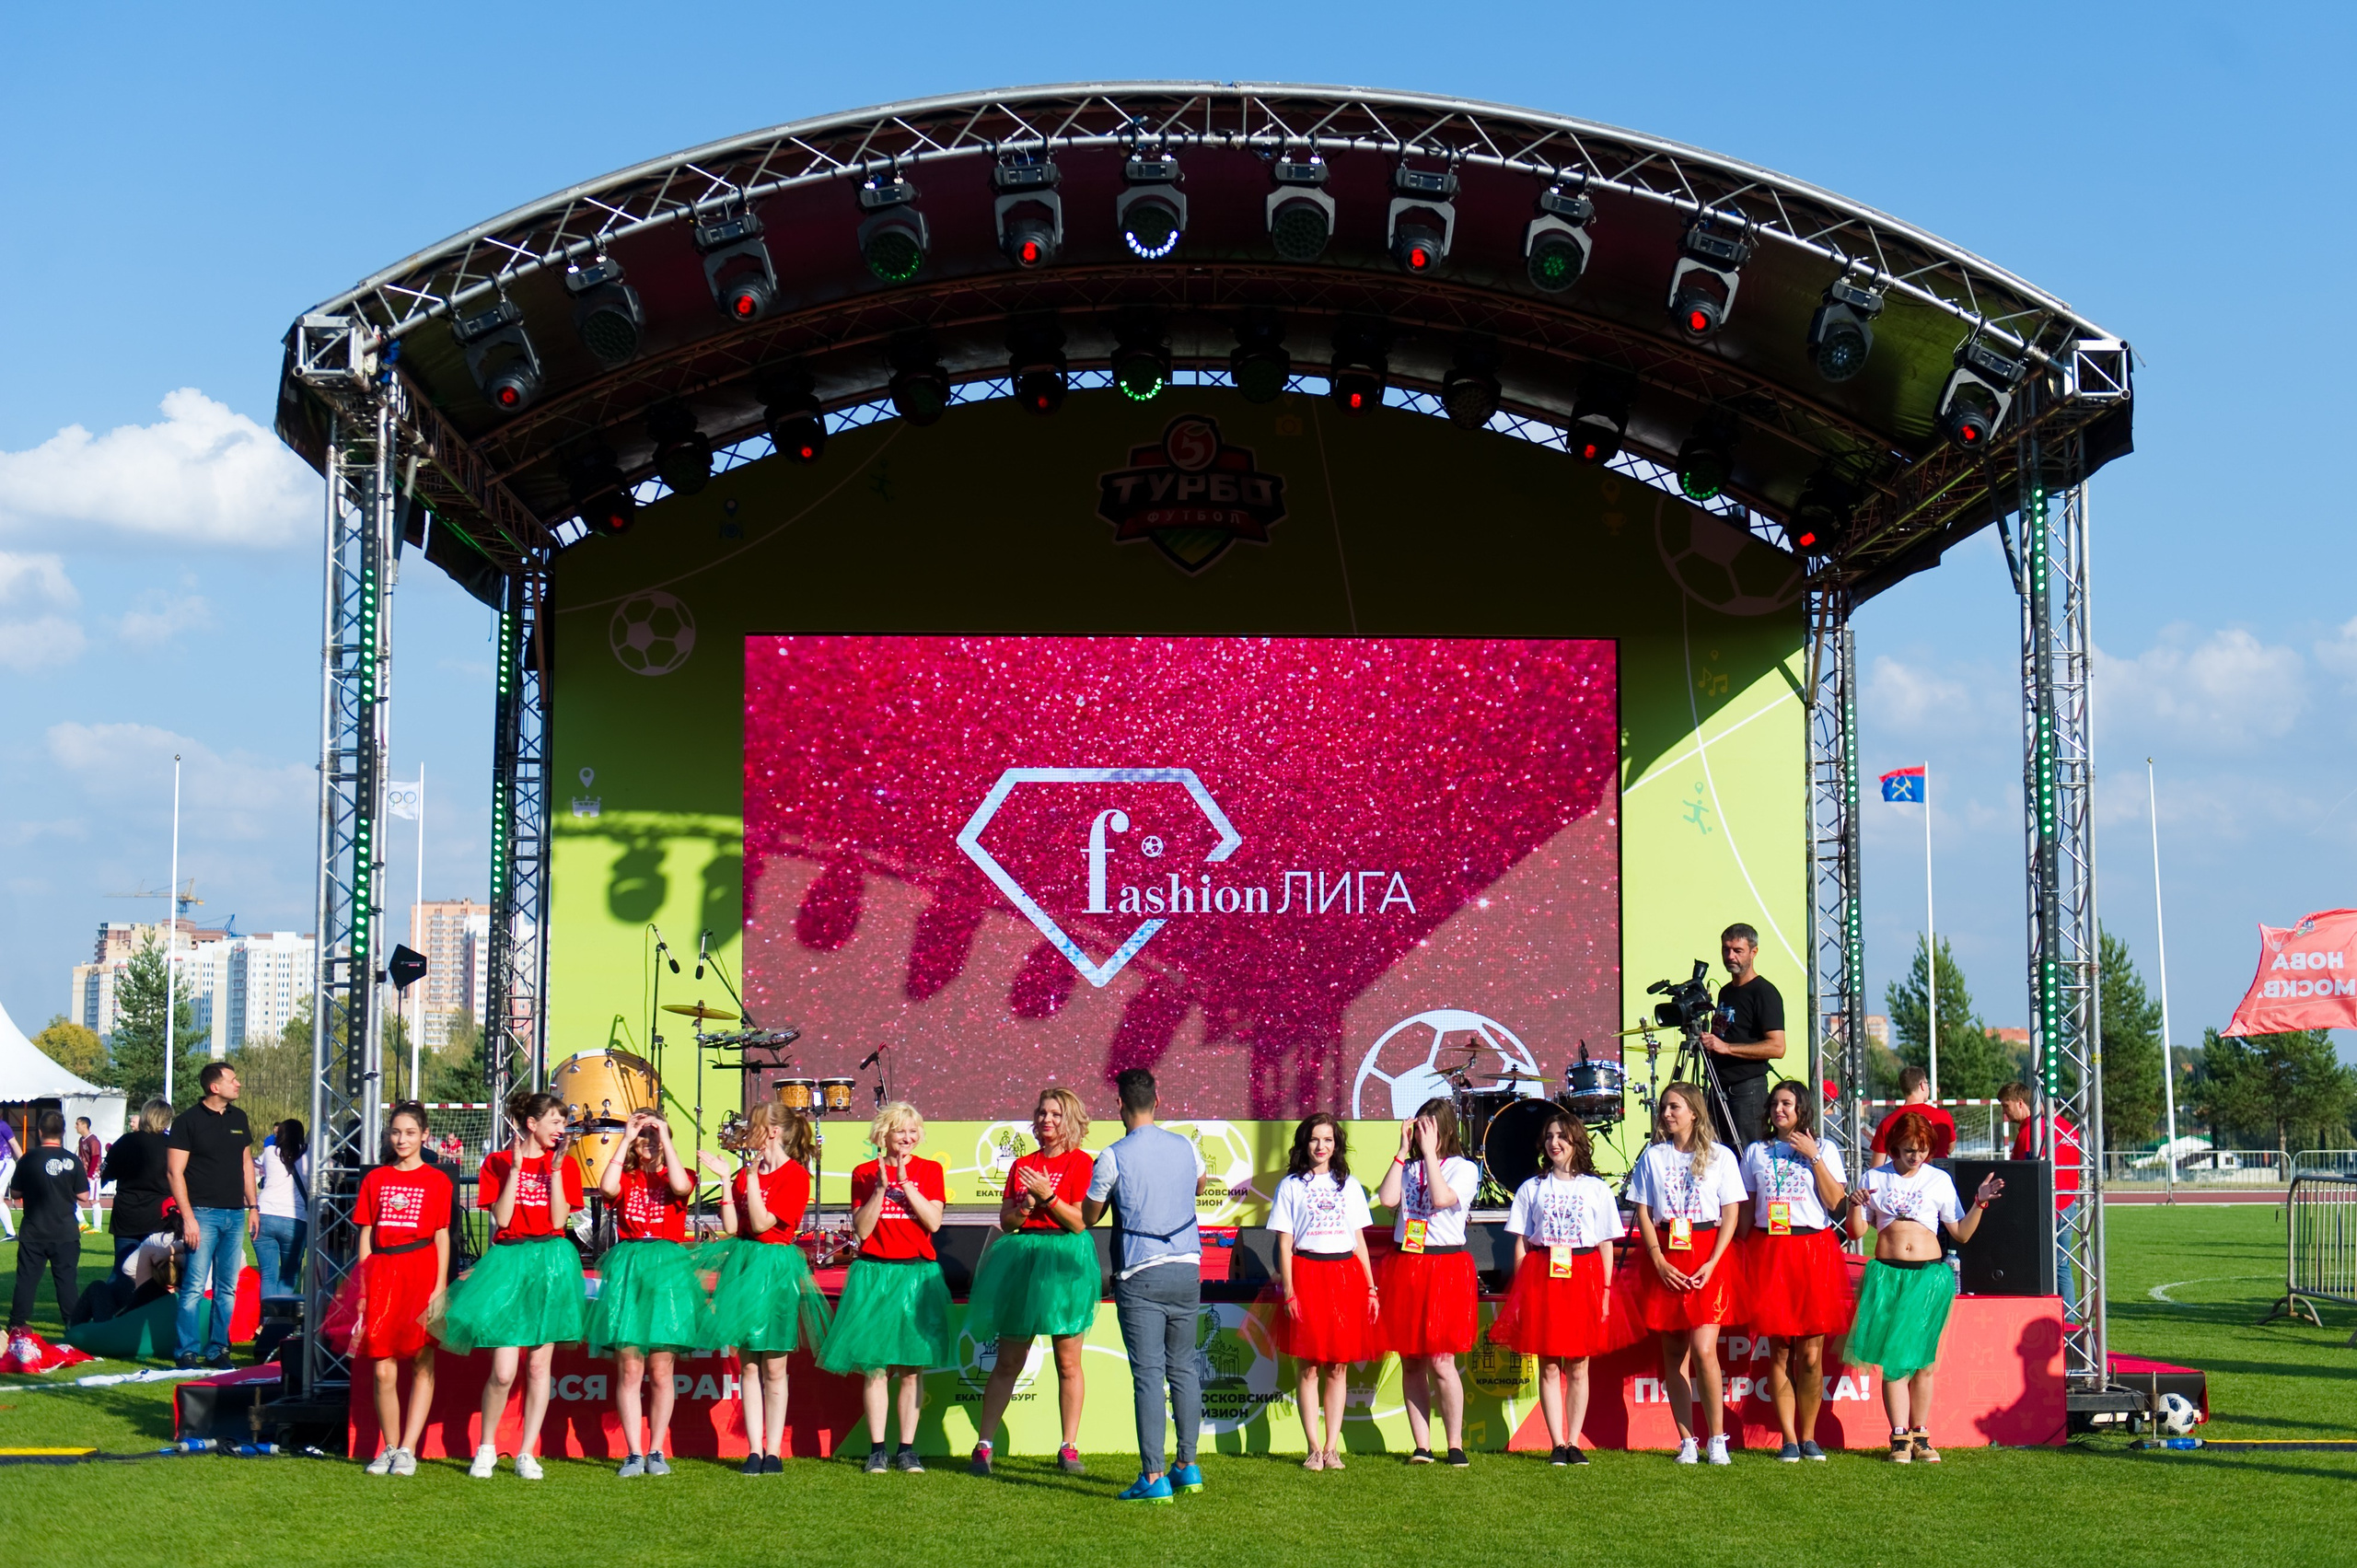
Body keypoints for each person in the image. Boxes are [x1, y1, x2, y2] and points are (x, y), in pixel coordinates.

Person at [1082, 1067, 1219, 1504]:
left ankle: (1154, 1474)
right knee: (1183, 1368)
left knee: (1148, 1375)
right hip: (1186, 1268)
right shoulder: (1185, 1146)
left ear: (1119, 1104)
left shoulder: (1112, 1155)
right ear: (1157, 1101)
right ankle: (1188, 1465)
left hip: (1140, 1273)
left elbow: (1089, 1217)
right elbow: (1198, 1186)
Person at [437, 1088, 587, 1481]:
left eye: (563, 1122)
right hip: (509, 1260)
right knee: (504, 1370)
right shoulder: (498, 1162)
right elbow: (501, 1220)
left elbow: (559, 1220)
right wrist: (518, 1171)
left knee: (540, 1366)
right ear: (532, 1124)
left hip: (552, 1260)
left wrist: (555, 1169)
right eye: (555, 1121)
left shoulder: (565, 1166)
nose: (561, 1129)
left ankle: (526, 1452)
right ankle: (486, 1447)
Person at [1848, 1109, 2003, 1462]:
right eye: (1907, 1149)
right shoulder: (1875, 1176)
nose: (1914, 1156)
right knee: (1894, 1361)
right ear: (1894, 1148)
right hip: (1887, 1274)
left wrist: (1979, 1201)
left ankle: (1921, 1434)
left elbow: (1960, 1232)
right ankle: (1899, 1435)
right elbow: (1857, 1232)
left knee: (1923, 1362)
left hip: (1929, 1276)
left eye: (1920, 1149)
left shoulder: (1938, 1180)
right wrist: (1854, 1205)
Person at [966, 1086, 1098, 1478]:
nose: (1046, 1120)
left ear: (1070, 1120)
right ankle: (984, 1445)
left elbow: (1080, 1222)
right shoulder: (1022, 1162)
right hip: (1023, 1259)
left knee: (1068, 1361)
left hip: (1065, 1260)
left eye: (1056, 1114)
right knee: (1008, 1360)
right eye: (1042, 1113)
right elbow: (1007, 1222)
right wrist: (1025, 1205)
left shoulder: (1081, 1163)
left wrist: (1048, 1196)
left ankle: (1069, 1447)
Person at [819, 1101, 950, 1474]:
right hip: (874, 1274)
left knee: (911, 1369)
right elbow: (862, 1230)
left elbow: (934, 1222)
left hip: (916, 1275)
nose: (906, 1138)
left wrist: (906, 1183)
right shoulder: (863, 1172)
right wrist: (880, 1189)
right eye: (899, 1131)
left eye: (912, 1130)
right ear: (883, 1135)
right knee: (875, 1368)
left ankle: (907, 1450)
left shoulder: (931, 1170)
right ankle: (877, 1449)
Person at [701, 1101, 830, 1477]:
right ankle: (754, 1451)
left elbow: (761, 1224)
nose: (747, 1132)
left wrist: (752, 1180)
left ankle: (773, 1452)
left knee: (775, 1366)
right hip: (743, 1268)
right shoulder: (745, 1174)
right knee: (749, 1367)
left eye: (754, 1125)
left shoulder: (795, 1176)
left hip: (774, 1269)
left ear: (772, 1131)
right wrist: (727, 1180)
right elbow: (732, 1225)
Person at [1622, 1080, 1747, 1465]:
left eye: (1675, 1106)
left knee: (1705, 1349)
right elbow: (1642, 1209)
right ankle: (1687, 1440)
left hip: (1707, 1254)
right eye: (1664, 1107)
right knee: (1673, 1351)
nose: (1667, 1113)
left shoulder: (1720, 1157)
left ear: (1694, 1111)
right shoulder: (1654, 1156)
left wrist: (1713, 1261)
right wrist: (1658, 1259)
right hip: (1666, 1255)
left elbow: (1731, 1212)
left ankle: (1717, 1438)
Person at [1487, 1110, 1622, 1466]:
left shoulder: (1595, 1189)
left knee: (1579, 1363)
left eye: (1561, 1135)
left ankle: (1574, 1441)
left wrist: (1606, 1291)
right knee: (1548, 1364)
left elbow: (1606, 1243)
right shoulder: (1532, 1188)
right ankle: (1557, 1443)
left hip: (1584, 1273)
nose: (1554, 1143)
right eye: (1549, 1137)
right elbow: (1520, 1241)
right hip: (1543, 1274)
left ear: (1576, 1140)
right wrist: (1522, 1285)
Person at [1737, 1078, 1853, 1462]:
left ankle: (1809, 1437)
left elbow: (1838, 1203)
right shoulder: (1757, 1151)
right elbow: (1744, 1211)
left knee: (1811, 1355)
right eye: (1774, 1104)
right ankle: (1789, 1438)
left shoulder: (1826, 1149)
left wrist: (1814, 1155)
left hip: (1813, 1251)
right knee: (1780, 1350)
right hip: (1769, 1249)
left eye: (1787, 1104)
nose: (1779, 1110)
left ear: (1802, 1108)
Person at [590, 1109, 708, 1479]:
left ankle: (657, 1449)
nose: (649, 1142)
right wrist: (625, 1137)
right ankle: (634, 1453)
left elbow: (681, 1188)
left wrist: (665, 1138)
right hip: (629, 1265)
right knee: (629, 1367)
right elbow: (607, 1189)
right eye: (644, 1136)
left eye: (654, 1136)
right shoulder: (626, 1175)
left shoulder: (680, 1171)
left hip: (668, 1266)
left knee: (660, 1368)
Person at [1263, 1111, 1379, 1472]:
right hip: (1307, 1274)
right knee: (1309, 1365)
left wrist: (1372, 1287)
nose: (1321, 1146)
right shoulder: (1291, 1186)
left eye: (1328, 1139)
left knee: (1339, 1366)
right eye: (1315, 1139)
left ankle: (1332, 1448)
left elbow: (1359, 1241)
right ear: (1304, 1143)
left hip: (1346, 1278)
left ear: (1336, 1144)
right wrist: (1290, 1292)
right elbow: (1285, 1244)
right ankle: (1312, 1447)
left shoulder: (1349, 1185)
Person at [1375, 1098, 1482, 1468]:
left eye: (1427, 1128)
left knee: (1442, 1360)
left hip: (1445, 1266)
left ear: (1443, 1130)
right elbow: (1387, 1198)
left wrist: (1431, 1156)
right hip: (1407, 1263)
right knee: (1411, 1361)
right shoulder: (1411, 1167)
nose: (1421, 1134)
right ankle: (1422, 1446)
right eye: (1417, 1127)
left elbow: (1441, 1198)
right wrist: (1403, 1152)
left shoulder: (1463, 1169)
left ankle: (1454, 1444)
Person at [350, 1102, 454, 1477]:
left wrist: (439, 1286)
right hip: (382, 1272)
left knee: (422, 1361)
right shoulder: (375, 1179)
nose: (402, 1139)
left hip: (421, 1271)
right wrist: (363, 1286)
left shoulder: (437, 1180)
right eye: (396, 1132)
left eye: (410, 1133)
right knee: (382, 1369)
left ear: (425, 1135)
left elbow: (442, 1236)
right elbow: (365, 1235)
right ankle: (389, 1447)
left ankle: (408, 1449)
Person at [166, 1062, 256, 1370]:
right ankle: (187, 1351)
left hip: (235, 1214)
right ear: (214, 1087)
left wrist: (253, 1206)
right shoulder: (187, 1121)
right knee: (193, 1286)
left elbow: (246, 1165)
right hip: (202, 1214)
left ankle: (219, 1348)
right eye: (233, 1079)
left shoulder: (239, 1118)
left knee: (226, 1287)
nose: (238, 1084)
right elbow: (174, 1171)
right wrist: (188, 1217)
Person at [1697, 923, 1786, 1155]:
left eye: (1738, 950)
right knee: (1717, 1156)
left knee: (1749, 1157)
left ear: (1753, 952)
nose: (1730, 956)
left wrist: (1726, 1048)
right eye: (1726, 950)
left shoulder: (1764, 992)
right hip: (1718, 1088)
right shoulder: (1725, 991)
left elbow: (1777, 1047)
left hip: (1747, 1091)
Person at [1999, 1081, 2084, 1302]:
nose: (2005, 1113)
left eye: (2006, 1106)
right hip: (2067, 1204)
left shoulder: (2031, 1132)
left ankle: (2046, 1316)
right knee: (2062, 1266)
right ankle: (2069, 1319)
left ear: (2020, 1103)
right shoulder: (2066, 1127)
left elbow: (2022, 1175)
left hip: (2045, 1207)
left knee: (2039, 1265)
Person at [8, 1112, 86, 1333]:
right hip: (65, 1231)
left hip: (34, 1230)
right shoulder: (72, 1160)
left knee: (26, 1280)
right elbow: (83, 1195)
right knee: (66, 1280)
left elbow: (15, 1193)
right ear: (62, 1132)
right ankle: (73, 1324)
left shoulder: (29, 1159)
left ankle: (17, 1323)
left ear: (40, 1131)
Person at [102, 1099, 176, 1272]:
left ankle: (119, 1297)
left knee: (123, 1269)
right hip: (160, 1215)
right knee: (160, 1270)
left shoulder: (125, 1142)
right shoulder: (172, 1145)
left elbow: (108, 1174)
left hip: (127, 1213)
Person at [253, 1118, 308, 1299]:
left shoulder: (269, 1152)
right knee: (288, 1276)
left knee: (268, 1275)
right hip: (295, 1218)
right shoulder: (309, 1154)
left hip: (264, 1216)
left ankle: (267, 1320)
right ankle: (277, 1319)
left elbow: (256, 1165)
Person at [1871, 1067, 1958, 1160]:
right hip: (1939, 1171)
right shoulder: (1943, 1116)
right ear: (1922, 1085)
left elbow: (1876, 1166)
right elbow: (1950, 1149)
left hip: (1903, 1174)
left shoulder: (1888, 1123)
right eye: (1927, 1084)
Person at [75, 1116, 104, 1231]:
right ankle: (82, 1221)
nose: (75, 1127)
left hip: (93, 1175)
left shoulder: (93, 1140)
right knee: (73, 1197)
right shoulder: (81, 1140)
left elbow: (95, 1157)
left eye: (77, 1124)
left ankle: (97, 1227)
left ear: (84, 1125)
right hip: (83, 1174)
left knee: (93, 1200)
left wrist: (89, 1175)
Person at [0, 1114, 17, 1240]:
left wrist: (23, 1162)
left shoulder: (2, 1125)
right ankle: (11, 1234)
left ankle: (11, 1233)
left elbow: (14, 1143)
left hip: (5, 1161)